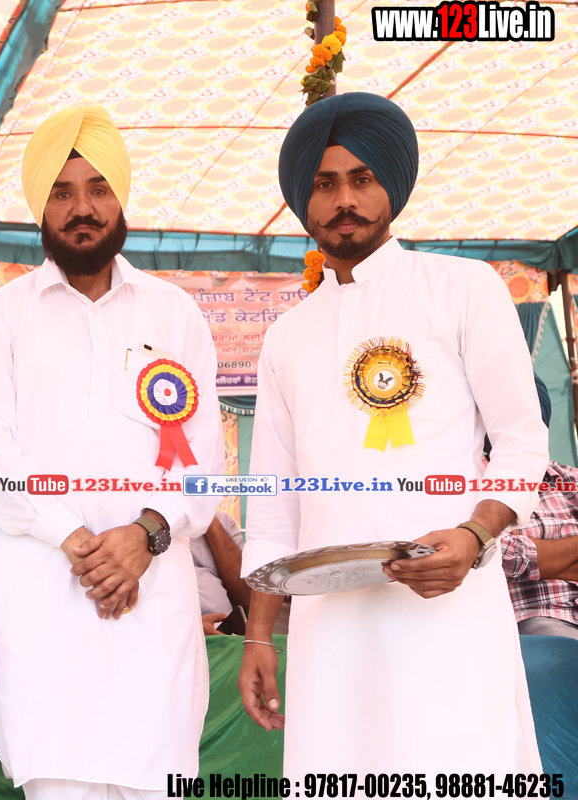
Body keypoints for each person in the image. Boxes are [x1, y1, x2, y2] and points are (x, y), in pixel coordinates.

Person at [237, 92, 547, 776]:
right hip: (330, 629)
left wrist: (474, 536)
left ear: (392, 186)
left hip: (448, 610)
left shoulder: (464, 288)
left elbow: (522, 442)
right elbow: (275, 502)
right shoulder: (287, 336)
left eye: (362, 178)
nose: (344, 199)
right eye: (324, 184)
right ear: (304, 200)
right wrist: (258, 635)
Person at [0, 104, 224, 800]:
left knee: (155, 777)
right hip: (43, 608)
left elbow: (203, 463)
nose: (83, 208)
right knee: (58, 781)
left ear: (121, 196)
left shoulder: (175, 314)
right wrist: (81, 543)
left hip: (153, 603)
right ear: (40, 209)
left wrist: (144, 536)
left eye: (98, 188)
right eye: (62, 192)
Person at [499, 378, 578, 639]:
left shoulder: (569, 478)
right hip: (539, 619)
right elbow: (497, 555)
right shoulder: (467, 485)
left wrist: (545, 558)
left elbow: (515, 556)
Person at [190, 511, 250, 634]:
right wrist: (191, 628)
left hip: (223, 633)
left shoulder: (223, 520)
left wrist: (208, 516)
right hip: (170, 632)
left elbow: (246, 596)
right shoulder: (150, 520)